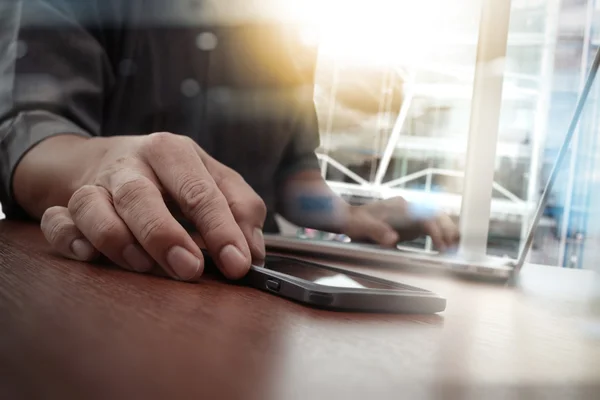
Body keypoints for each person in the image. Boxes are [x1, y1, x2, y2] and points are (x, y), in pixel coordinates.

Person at [0, 0, 459, 282]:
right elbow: (27, 135)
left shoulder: (289, 29)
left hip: (253, 285)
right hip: (118, 279)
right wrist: (107, 166)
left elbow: (294, 179)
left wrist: (354, 216)